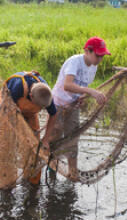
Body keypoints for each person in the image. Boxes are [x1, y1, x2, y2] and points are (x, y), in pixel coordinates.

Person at [51, 37, 109, 180]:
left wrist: (82, 96)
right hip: (57, 103)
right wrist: (90, 91)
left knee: (73, 138)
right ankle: (51, 169)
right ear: (87, 51)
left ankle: (72, 172)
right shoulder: (75, 62)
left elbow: (81, 87)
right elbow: (67, 85)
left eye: (102, 56)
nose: (100, 59)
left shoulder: (94, 66)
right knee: (55, 137)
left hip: (73, 105)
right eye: (97, 55)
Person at [3, 71, 58, 185]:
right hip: (8, 109)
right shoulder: (17, 88)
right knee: (8, 147)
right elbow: (5, 112)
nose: (39, 108)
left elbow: (53, 115)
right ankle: (8, 183)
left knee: (34, 150)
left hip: (29, 114)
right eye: (38, 106)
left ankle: (32, 182)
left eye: (42, 107)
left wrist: (46, 139)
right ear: (31, 96)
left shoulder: (46, 93)